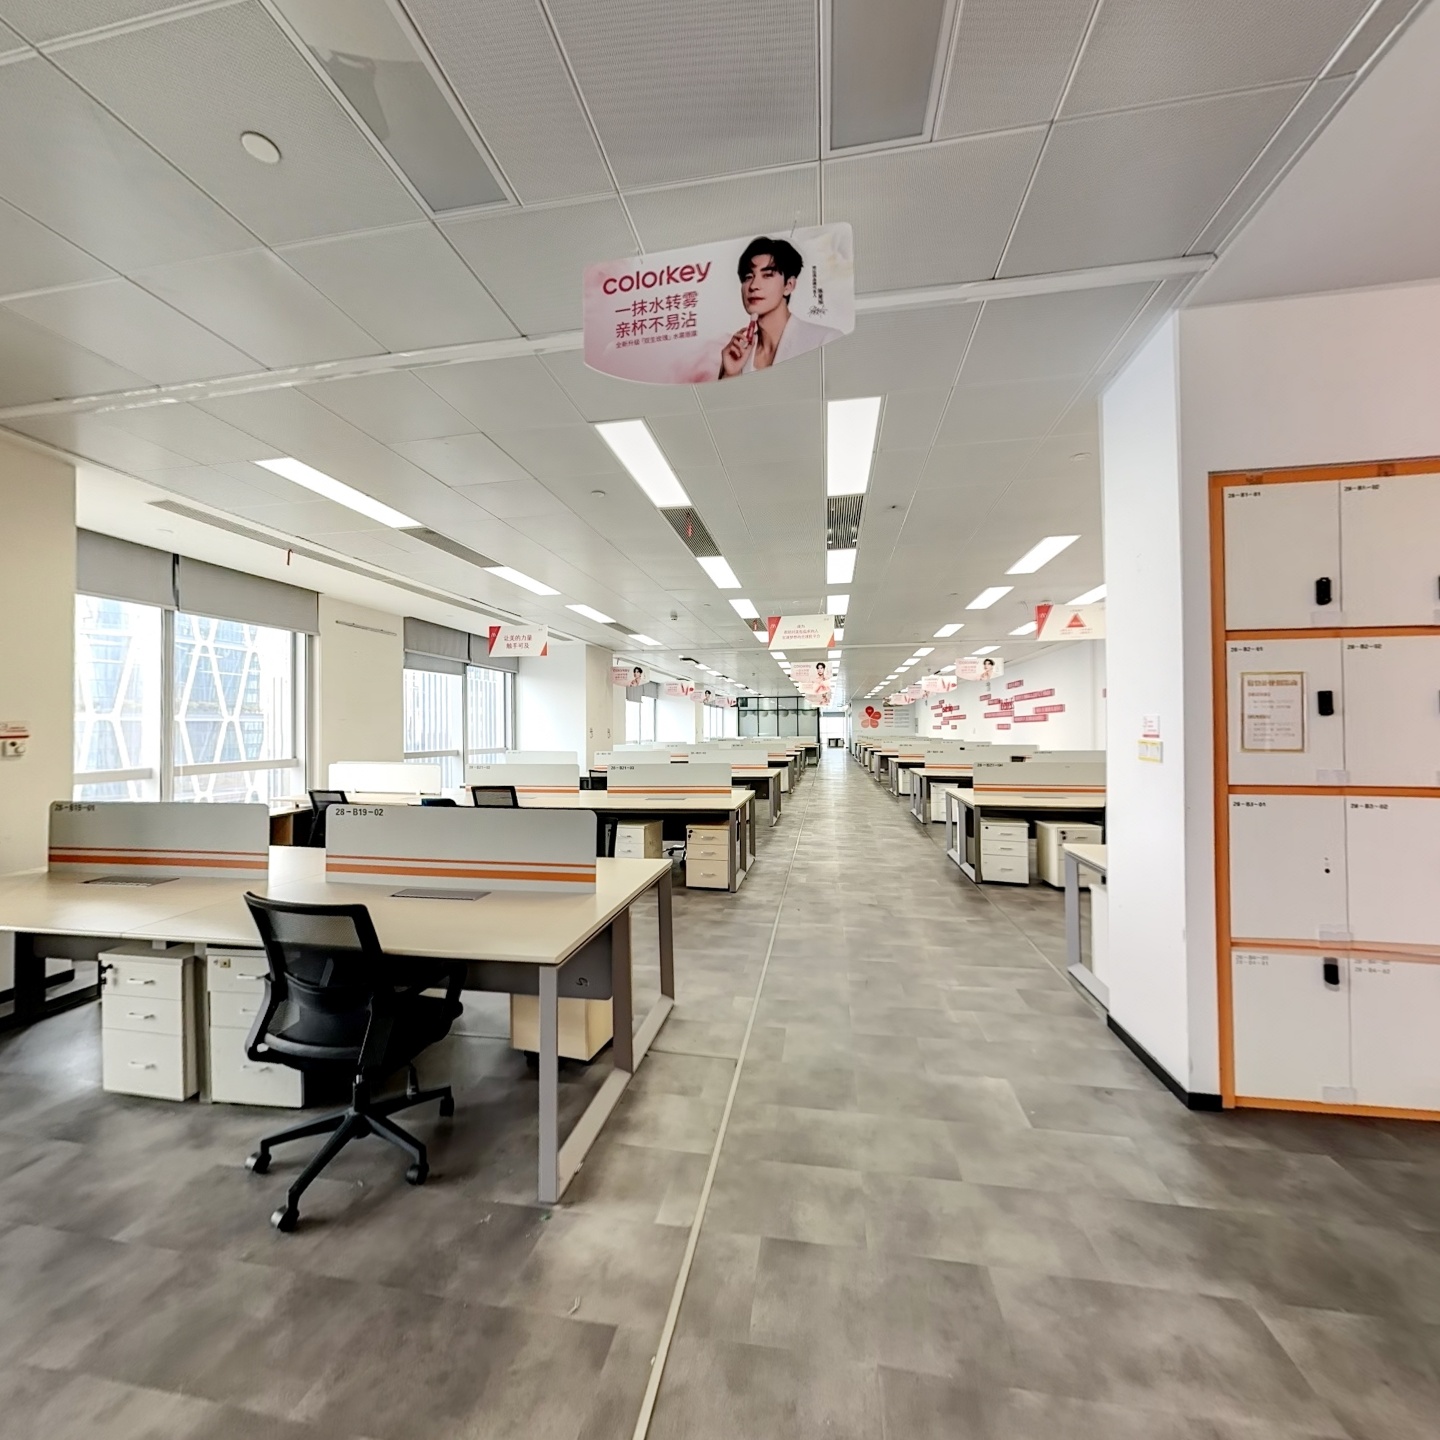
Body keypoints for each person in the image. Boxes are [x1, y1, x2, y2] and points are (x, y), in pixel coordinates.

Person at [718, 237, 841, 378]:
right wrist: (729, 374)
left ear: (789, 285)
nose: (753, 286)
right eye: (748, 276)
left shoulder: (824, 340)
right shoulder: (737, 354)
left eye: (767, 275)